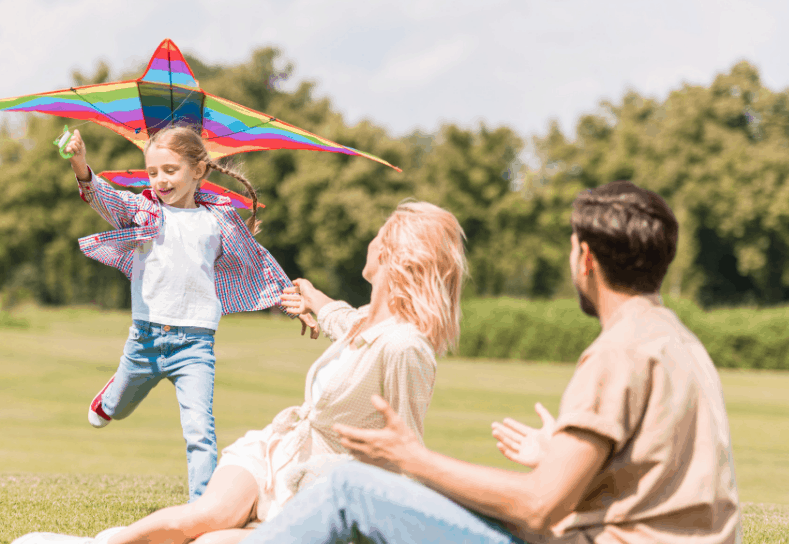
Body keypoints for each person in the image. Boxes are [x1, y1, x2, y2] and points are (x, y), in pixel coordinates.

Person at [239, 181, 741, 544]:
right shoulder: (680, 342)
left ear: (584, 258)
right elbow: (658, 486)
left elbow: (539, 506)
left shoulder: (618, 352)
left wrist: (414, 459)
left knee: (350, 488)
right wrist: (555, 455)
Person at [12, 200, 468, 544]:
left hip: (322, 483)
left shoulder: (407, 347)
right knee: (203, 519)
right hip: (277, 449)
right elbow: (345, 322)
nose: (370, 241)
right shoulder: (373, 318)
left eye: (378, 236)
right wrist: (310, 295)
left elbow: (409, 451)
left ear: (391, 255)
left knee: (213, 542)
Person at [62, 125, 317, 503]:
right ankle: (111, 396)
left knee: (199, 429)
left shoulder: (219, 221)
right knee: (117, 407)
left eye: (170, 170)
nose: (160, 180)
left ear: (198, 171)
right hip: (145, 341)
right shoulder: (144, 210)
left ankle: (201, 506)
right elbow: (106, 198)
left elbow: (257, 265)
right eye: (152, 172)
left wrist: (293, 303)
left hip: (195, 346)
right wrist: (81, 164)